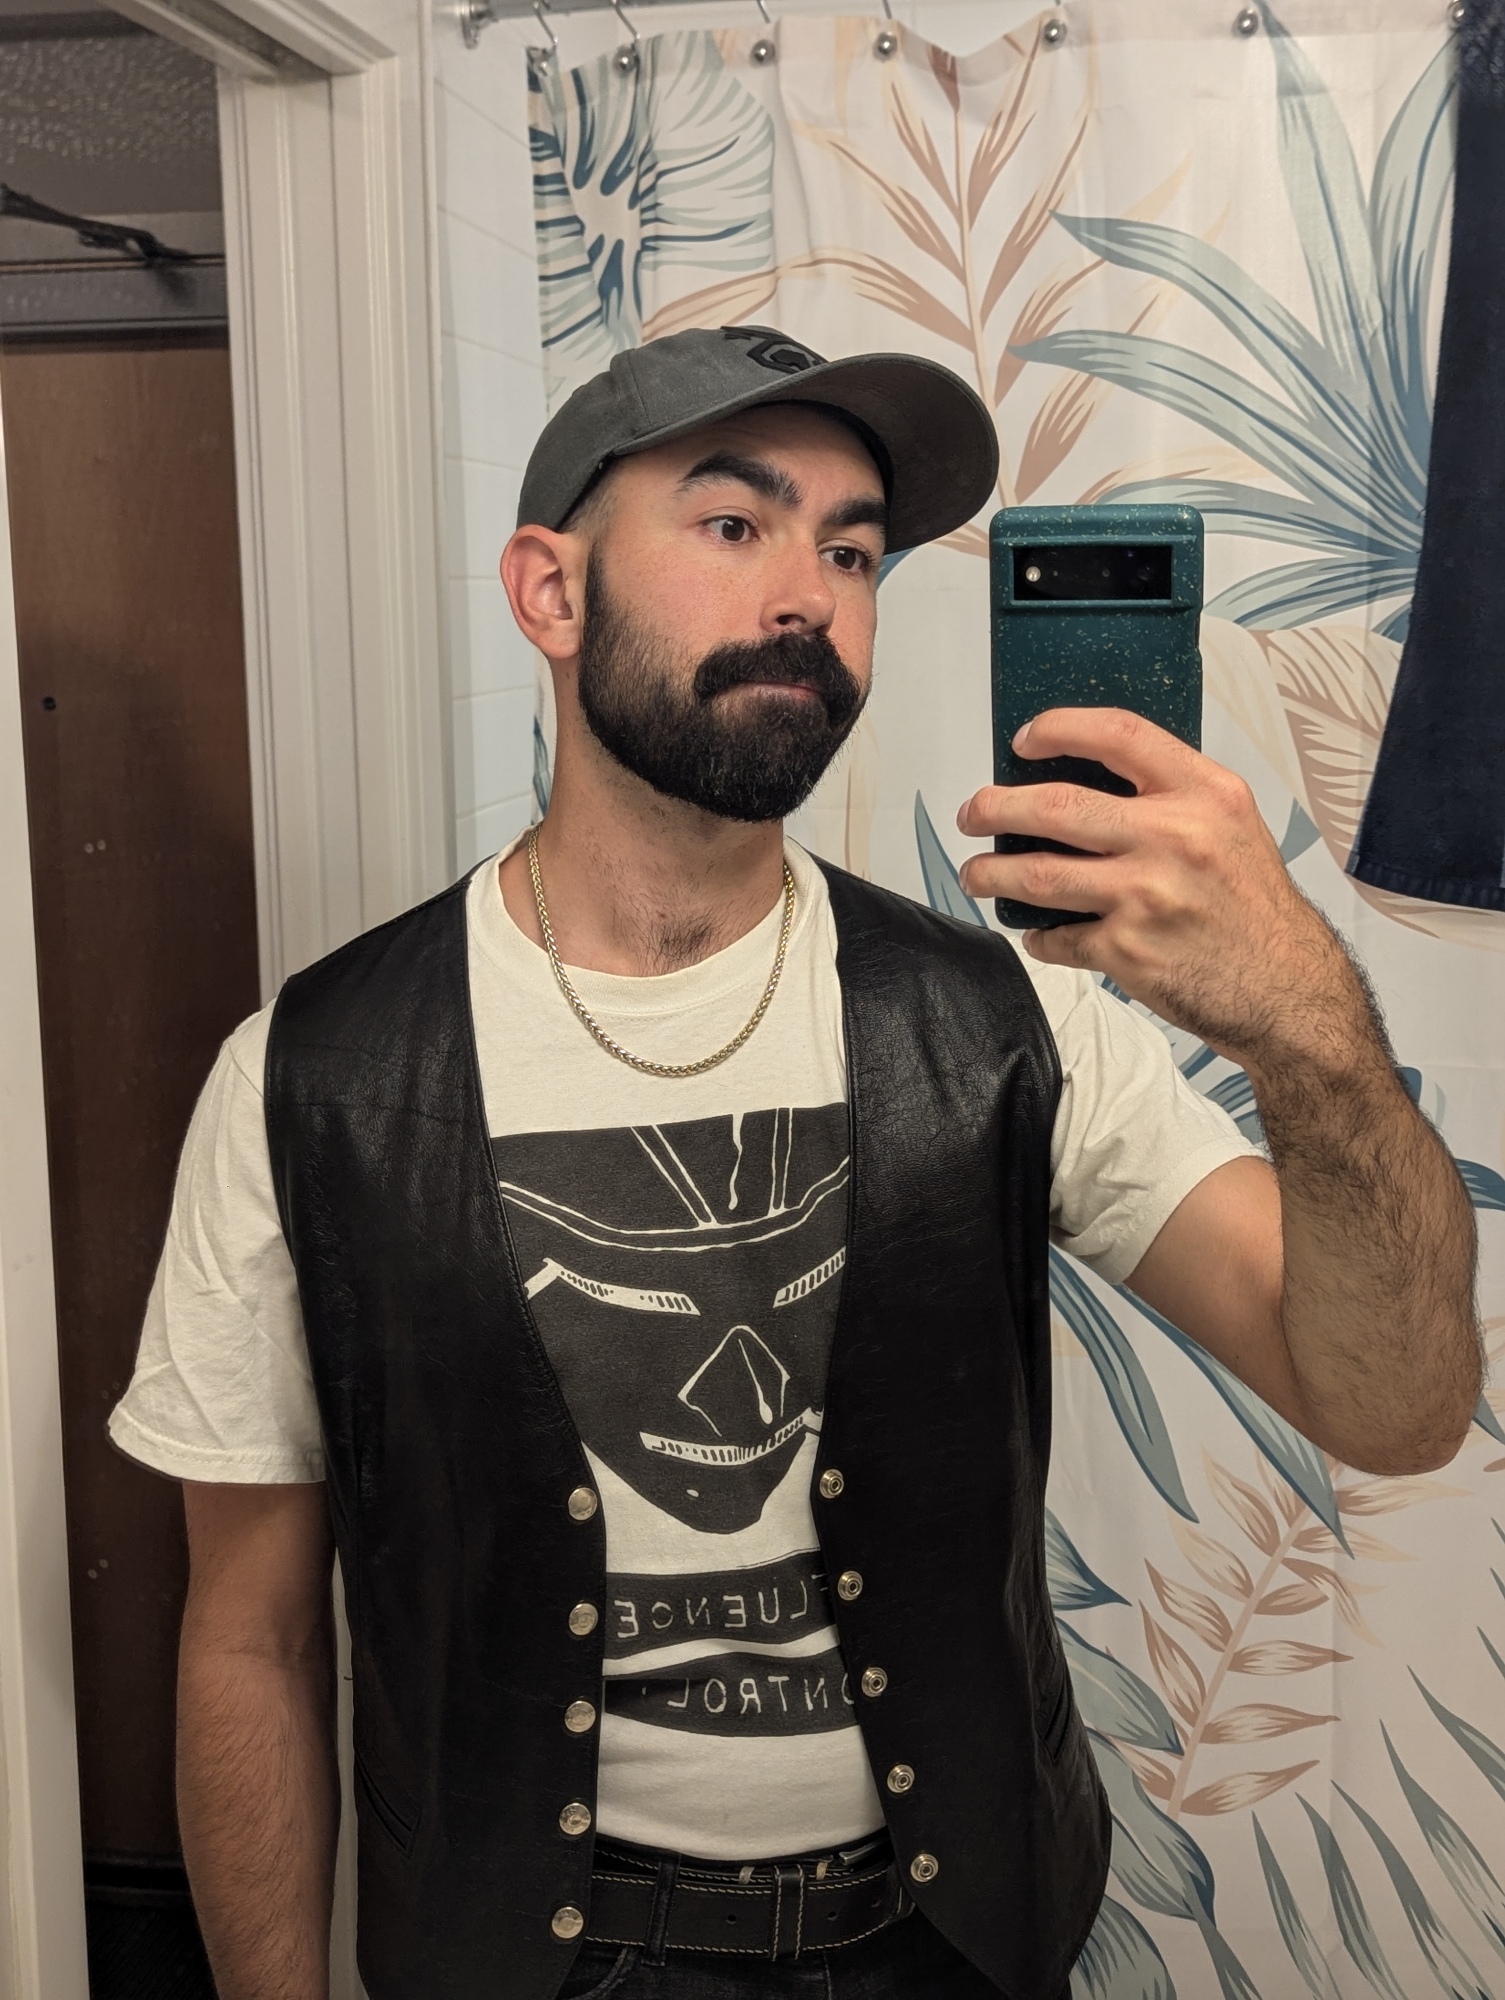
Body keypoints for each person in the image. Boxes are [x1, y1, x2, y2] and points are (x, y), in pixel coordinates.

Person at [110, 324, 1481, 2000]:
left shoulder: (1006, 1022)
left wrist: (1306, 1033)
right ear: (548, 592)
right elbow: (248, 1637)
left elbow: (1396, 1409)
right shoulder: (311, 1076)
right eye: (732, 522)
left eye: (849, 550)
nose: (809, 597)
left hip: (950, 1949)